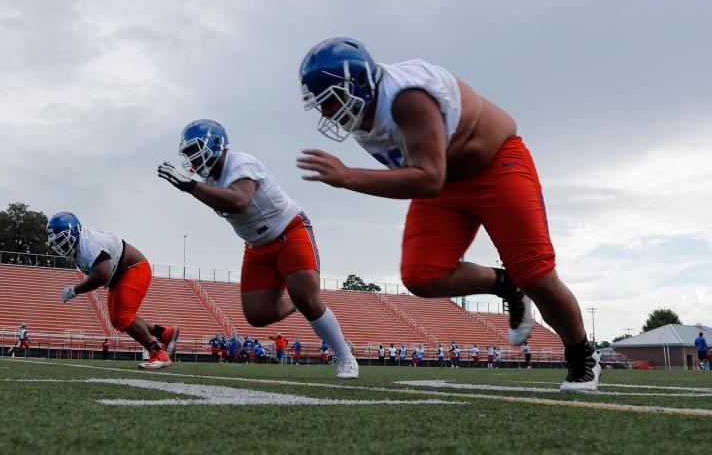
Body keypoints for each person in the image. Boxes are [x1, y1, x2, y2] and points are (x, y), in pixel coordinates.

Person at [298, 38, 600, 392]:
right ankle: (506, 284)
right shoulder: (365, 109)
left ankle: (582, 354)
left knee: (536, 274)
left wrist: (348, 176)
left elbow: (427, 177)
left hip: (493, 166)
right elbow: (427, 174)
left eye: (330, 100)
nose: (327, 113)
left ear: (359, 83)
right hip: (443, 179)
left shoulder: (408, 98)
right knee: (423, 275)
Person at [158, 119, 358, 380]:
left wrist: (191, 187)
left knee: (309, 299)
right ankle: (298, 301)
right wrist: (195, 187)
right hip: (256, 245)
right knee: (257, 315)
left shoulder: (240, 162)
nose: (193, 158)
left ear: (215, 144)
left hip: (289, 231)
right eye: (188, 154)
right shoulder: (207, 179)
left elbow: (240, 201)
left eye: (195, 150)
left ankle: (345, 357)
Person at [46, 212, 180, 370]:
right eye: (57, 241)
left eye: (62, 239)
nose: (60, 245)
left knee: (123, 318)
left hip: (133, 269)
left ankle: (158, 353)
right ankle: (165, 333)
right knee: (117, 320)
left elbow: (102, 273)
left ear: (75, 230)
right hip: (121, 275)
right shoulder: (81, 244)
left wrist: (75, 290)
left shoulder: (89, 244)